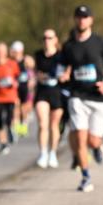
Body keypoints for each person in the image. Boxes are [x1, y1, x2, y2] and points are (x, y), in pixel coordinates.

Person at [59, 5, 103, 193]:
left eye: (85, 17)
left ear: (91, 20)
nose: (81, 20)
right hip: (77, 97)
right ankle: (86, 177)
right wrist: (63, 75)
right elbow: (61, 67)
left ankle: (98, 147)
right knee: (80, 139)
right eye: (78, 17)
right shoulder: (68, 46)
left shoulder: (100, 42)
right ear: (75, 20)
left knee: (93, 141)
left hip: (98, 97)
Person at [33, 29, 64, 168]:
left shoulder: (61, 56)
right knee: (42, 124)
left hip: (56, 91)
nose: (47, 40)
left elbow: (65, 71)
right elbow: (35, 72)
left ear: (55, 40)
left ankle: (53, 153)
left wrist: (64, 75)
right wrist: (38, 75)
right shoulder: (38, 55)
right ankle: (43, 153)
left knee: (54, 125)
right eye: (44, 38)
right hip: (42, 91)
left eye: (50, 38)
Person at [0, 42, 20, 155]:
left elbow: (18, 77)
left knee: (9, 119)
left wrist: (14, 82)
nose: (1, 53)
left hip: (10, 96)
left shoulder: (12, 63)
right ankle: (3, 143)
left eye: (3, 50)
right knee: (0, 120)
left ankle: (11, 130)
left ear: (6, 52)